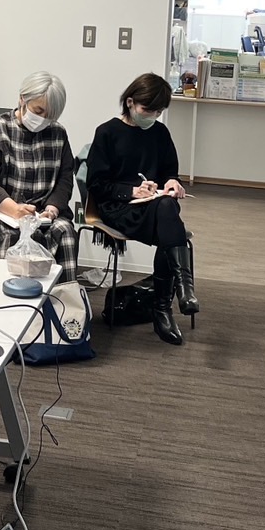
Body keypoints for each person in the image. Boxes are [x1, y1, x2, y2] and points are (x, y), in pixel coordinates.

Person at [85, 73, 198, 346]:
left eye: (159, 112)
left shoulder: (160, 133)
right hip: (118, 208)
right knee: (171, 227)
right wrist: (131, 191)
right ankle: (172, 301)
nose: (153, 116)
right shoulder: (107, 133)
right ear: (130, 102)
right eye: (148, 110)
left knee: (167, 205)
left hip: (154, 207)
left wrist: (172, 183)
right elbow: (96, 184)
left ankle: (168, 304)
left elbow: (170, 171)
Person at [0, 72, 79, 280]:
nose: (43, 119)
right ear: (22, 99)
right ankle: (7, 293)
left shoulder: (58, 133)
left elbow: (65, 177)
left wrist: (51, 210)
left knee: (65, 232)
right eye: (38, 111)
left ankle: (62, 296)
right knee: (13, 236)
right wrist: (15, 210)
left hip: (41, 213)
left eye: (50, 115)